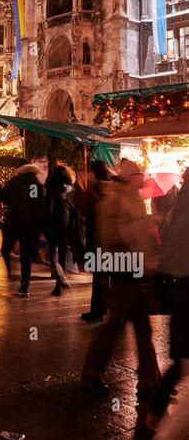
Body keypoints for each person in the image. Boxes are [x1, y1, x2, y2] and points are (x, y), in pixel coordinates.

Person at [81, 159, 161, 397]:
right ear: (129, 177)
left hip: (135, 270)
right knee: (115, 326)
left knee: (141, 327)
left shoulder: (133, 198)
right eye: (139, 174)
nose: (142, 177)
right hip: (122, 271)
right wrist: (144, 224)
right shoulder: (115, 199)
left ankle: (149, 379)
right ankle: (92, 372)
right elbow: (112, 234)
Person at [147, 168, 189, 440]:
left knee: (182, 364)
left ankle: (156, 417)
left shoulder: (181, 199)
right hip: (185, 288)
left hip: (180, 287)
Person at [1, 160, 44, 298]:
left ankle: (10, 271)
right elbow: (38, 203)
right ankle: (25, 286)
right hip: (30, 224)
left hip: (14, 222)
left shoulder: (15, 181)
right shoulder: (37, 184)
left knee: (6, 249)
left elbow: (3, 197)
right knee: (26, 256)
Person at [75, 161, 111, 322]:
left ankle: (98, 311)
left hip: (99, 239)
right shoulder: (110, 187)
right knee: (107, 277)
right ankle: (105, 309)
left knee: (100, 278)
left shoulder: (96, 190)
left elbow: (85, 210)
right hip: (108, 241)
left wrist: (81, 189)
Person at [43, 165, 76, 296]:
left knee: (52, 256)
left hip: (53, 227)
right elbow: (74, 209)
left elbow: (48, 211)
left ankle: (59, 280)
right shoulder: (70, 191)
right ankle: (60, 282)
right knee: (62, 255)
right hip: (67, 227)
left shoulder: (50, 190)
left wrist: (44, 227)